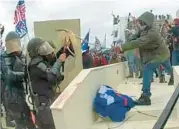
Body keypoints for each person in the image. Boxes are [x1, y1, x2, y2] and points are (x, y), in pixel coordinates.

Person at [118, 12, 174, 105]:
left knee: (149, 68)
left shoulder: (152, 33)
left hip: (160, 54)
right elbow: (135, 36)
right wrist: (127, 41)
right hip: (157, 54)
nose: (140, 23)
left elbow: (139, 42)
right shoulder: (144, 30)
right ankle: (173, 76)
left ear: (147, 22)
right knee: (168, 68)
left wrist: (122, 48)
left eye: (142, 22)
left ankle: (145, 96)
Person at [27, 37, 66, 129]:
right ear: (37, 51)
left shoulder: (38, 63)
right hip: (44, 106)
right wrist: (59, 61)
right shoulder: (37, 64)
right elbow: (52, 76)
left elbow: (51, 71)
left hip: (44, 103)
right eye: (42, 48)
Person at [1, 31, 36, 129]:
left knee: (28, 123)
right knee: (21, 123)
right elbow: (8, 75)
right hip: (12, 97)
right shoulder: (4, 58)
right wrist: (24, 74)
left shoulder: (20, 56)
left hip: (20, 95)